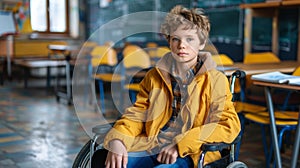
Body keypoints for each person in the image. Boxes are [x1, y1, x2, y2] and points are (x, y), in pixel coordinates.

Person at [92, 5, 241, 168]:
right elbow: (137, 114)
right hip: (153, 145)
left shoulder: (216, 80)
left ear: (202, 43)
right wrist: (118, 139)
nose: (182, 45)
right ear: (169, 41)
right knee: (106, 161)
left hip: (191, 153)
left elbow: (228, 125)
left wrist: (181, 144)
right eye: (175, 38)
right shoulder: (154, 77)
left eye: (189, 39)